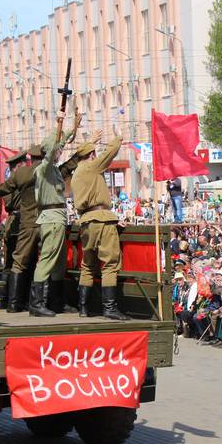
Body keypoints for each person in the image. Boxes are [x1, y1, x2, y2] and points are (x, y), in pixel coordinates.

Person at [28, 112, 85, 317]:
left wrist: (72, 128)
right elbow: (53, 146)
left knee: (59, 261)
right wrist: (59, 122)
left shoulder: (52, 169)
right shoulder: (43, 169)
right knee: (47, 259)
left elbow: (57, 144)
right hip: (51, 218)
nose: (59, 152)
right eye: (57, 150)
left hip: (58, 218)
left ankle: (55, 301)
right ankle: (37, 303)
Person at [0, 143, 41, 313]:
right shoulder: (12, 182)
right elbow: (10, 203)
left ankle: (20, 299)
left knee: (27, 261)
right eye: (22, 164)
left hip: (23, 222)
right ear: (17, 166)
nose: (25, 166)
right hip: (15, 224)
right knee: (13, 263)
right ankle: (6, 300)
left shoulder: (25, 178)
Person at [71, 128, 128, 320]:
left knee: (88, 265)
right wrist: (118, 137)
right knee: (111, 263)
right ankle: (109, 309)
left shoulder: (77, 172)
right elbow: (109, 153)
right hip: (101, 219)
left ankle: (83, 308)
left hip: (86, 220)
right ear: (91, 155)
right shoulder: (92, 167)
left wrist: (92, 140)